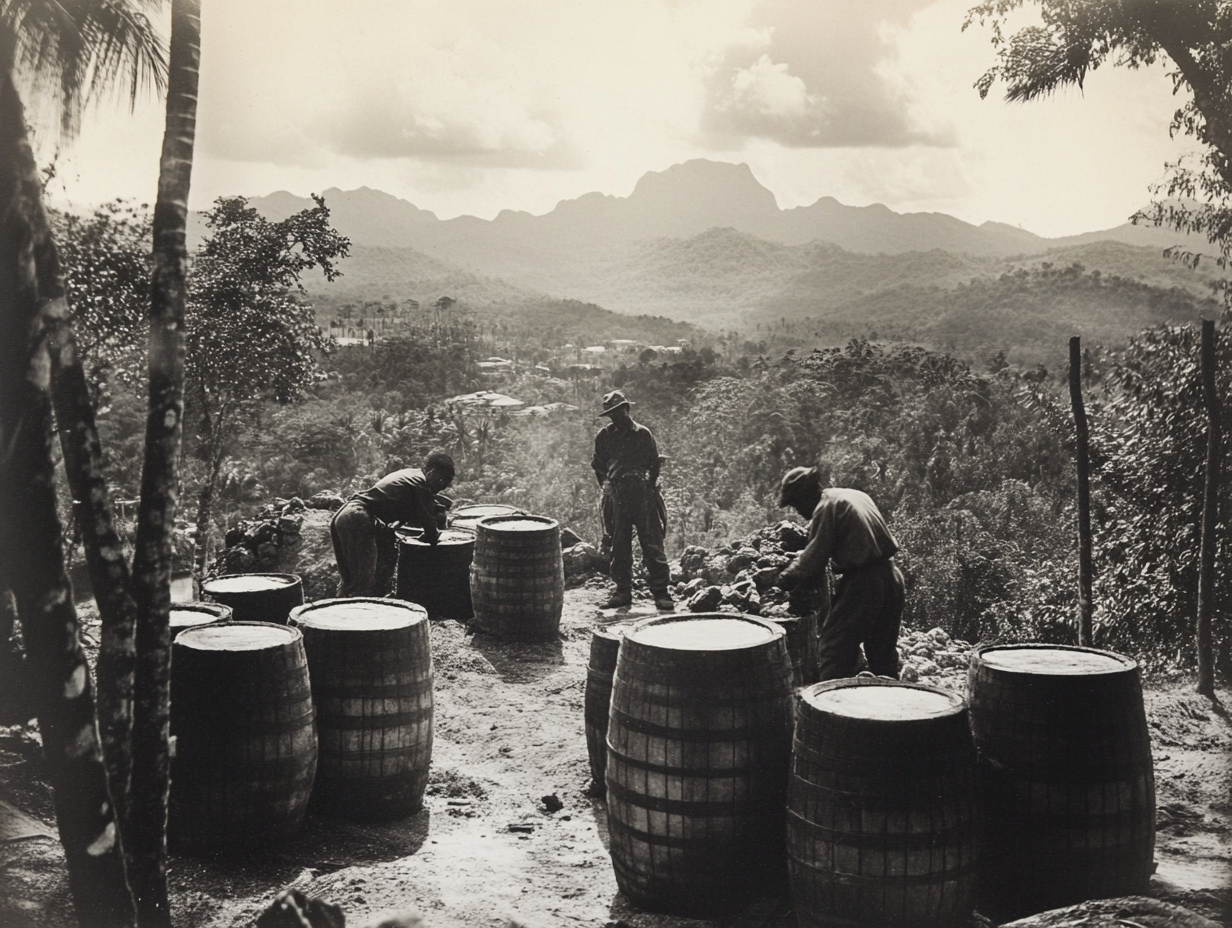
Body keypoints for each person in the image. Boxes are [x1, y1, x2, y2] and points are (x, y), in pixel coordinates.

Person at [774, 465, 904, 681]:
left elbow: (814, 559)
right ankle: (891, 706)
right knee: (882, 651)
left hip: (865, 581)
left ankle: (827, 708)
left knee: (833, 647)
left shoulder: (826, 507)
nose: (799, 512)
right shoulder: (852, 495)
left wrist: (784, 579)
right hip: (892, 576)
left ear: (807, 495)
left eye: (797, 505)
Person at [331, 450, 456, 597]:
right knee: (363, 579)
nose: (441, 488)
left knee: (349, 578)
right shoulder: (420, 484)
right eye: (442, 481)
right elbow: (431, 531)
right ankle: (359, 614)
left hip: (347, 513)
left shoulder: (411, 475)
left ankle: (345, 609)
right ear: (432, 473)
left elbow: (399, 510)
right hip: (357, 516)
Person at [591, 390, 673, 610]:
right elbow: (598, 465)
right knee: (619, 545)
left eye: (619, 412)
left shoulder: (643, 434)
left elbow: (653, 464)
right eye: (611, 414)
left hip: (643, 495)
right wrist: (605, 485)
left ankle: (661, 593)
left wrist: (653, 484)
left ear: (627, 409)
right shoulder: (605, 436)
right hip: (618, 495)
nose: (616, 417)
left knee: (652, 544)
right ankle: (622, 592)